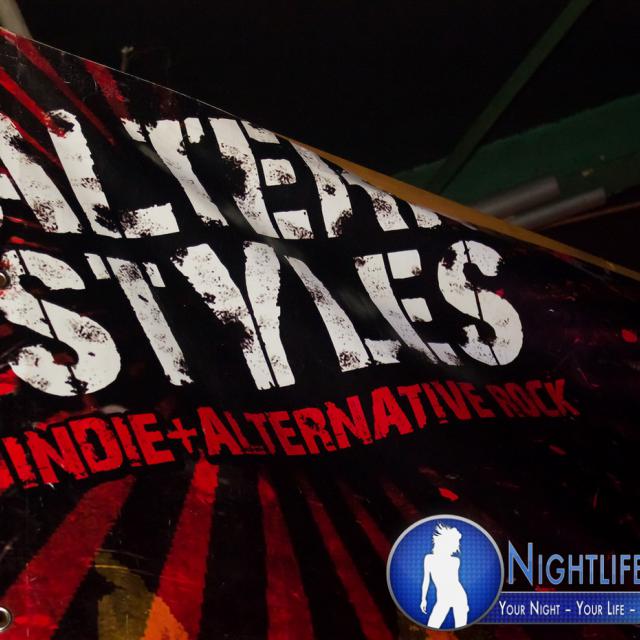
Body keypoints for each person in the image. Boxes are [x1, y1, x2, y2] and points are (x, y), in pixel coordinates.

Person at [420, 523, 469, 628]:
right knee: (432, 626)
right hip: (443, 599)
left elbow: (455, 581)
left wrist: (465, 605)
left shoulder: (455, 561)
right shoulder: (429, 559)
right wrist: (423, 599)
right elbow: (426, 580)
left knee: (461, 628)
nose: (456, 547)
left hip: (458, 596)